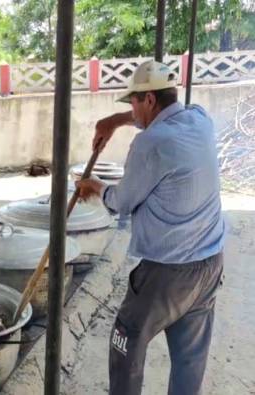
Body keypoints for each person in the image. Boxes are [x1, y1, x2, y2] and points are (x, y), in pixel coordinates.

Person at [76, 60, 225, 395]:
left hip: (168, 272)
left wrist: (94, 186)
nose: (132, 110)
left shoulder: (149, 144)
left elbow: (122, 202)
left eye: (133, 102)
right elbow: (162, 114)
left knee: (125, 340)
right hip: (211, 262)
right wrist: (117, 120)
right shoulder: (200, 119)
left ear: (149, 100)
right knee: (190, 358)